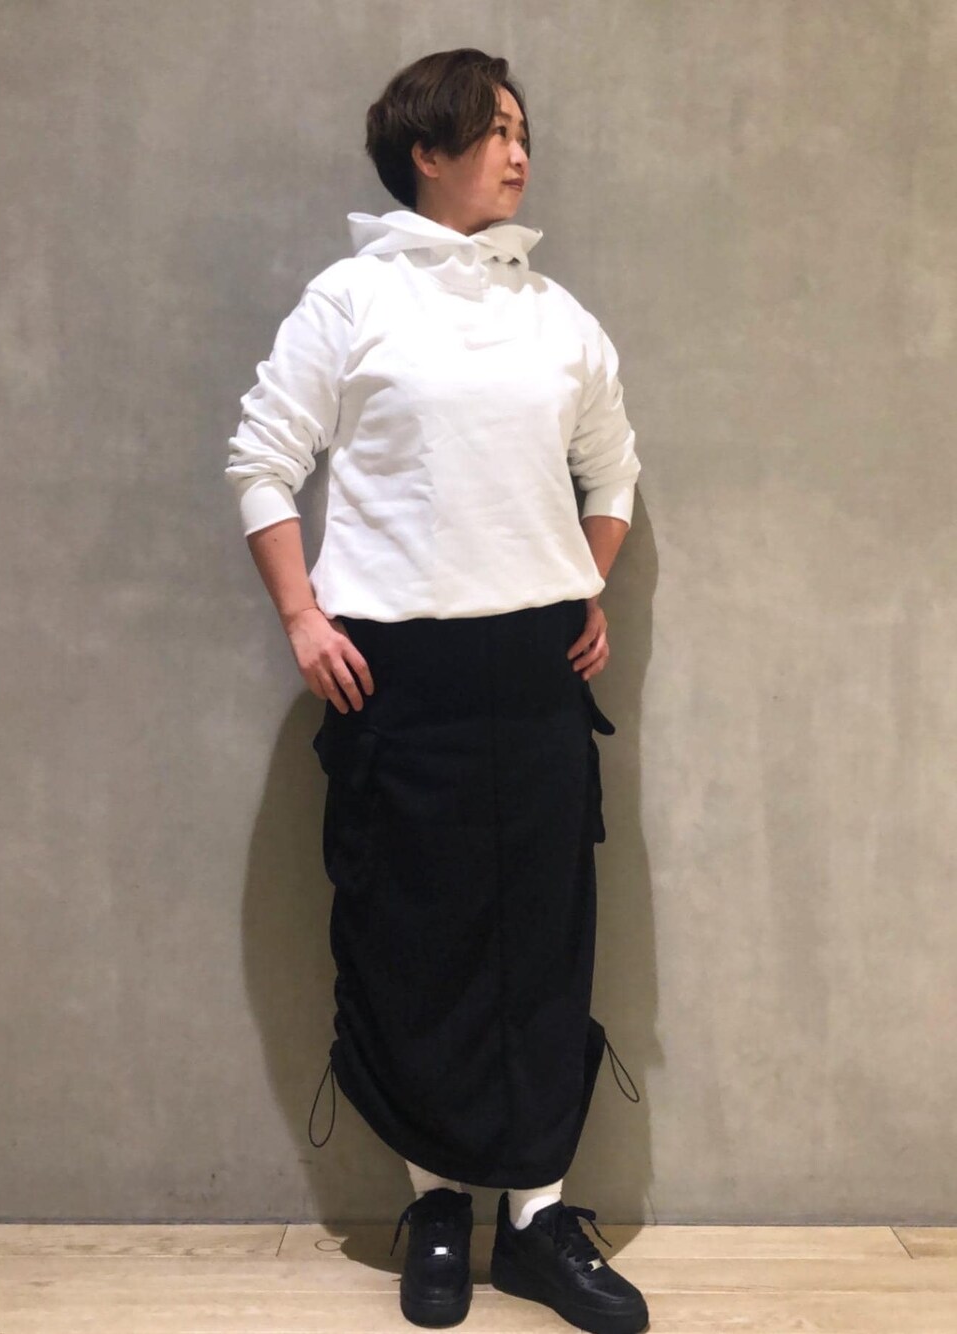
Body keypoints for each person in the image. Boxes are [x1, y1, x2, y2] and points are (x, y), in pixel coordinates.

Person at [225, 47, 649, 1334]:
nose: (519, 152)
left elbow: (612, 469)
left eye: (525, 131)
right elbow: (261, 458)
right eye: (494, 129)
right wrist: (301, 613)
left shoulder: (557, 316)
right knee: (412, 940)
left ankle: (537, 1219)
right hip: (395, 678)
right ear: (426, 147)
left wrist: (580, 582)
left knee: (544, 938)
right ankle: (439, 1210)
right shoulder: (351, 299)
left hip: (535, 675)